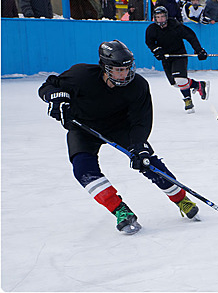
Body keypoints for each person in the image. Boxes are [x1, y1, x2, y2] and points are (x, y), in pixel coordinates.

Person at [37, 40, 200, 235]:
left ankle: (181, 198)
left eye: (127, 68)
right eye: (117, 70)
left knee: (146, 160)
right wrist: (57, 99)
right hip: (84, 128)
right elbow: (48, 86)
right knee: (82, 169)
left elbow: (141, 120)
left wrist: (139, 145)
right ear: (104, 68)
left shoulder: (138, 85)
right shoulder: (81, 76)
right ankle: (120, 211)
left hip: (120, 127)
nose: (124, 74)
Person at [146, 6, 209, 113]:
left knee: (180, 79)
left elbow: (190, 36)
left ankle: (188, 101)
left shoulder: (175, 26)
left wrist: (198, 50)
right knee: (175, 83)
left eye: (162, 16)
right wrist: (156, 50)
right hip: (166, 58)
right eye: (158, 17)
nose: (160, 19)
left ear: (166, 16)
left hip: (179, 55)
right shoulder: (151, 29)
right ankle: (198, 85)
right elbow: (149, 42)